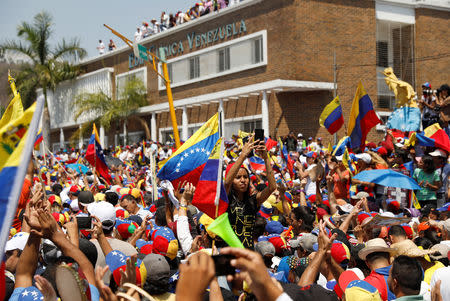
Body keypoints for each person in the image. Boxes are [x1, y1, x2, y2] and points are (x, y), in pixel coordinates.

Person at [225, 137, 276, 249]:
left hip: (249, 253)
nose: (243, 180)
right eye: (238, 177)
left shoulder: (253, 201)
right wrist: (243, 155)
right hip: (231, 254)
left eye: (245, 177)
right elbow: (227, 182)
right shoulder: (226, 200)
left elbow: (272, 187)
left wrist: (266, 157)